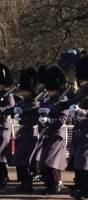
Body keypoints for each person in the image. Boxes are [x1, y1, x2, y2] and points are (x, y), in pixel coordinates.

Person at [38, 66, 68, 194]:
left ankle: (57, 183)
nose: (48, 91)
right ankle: (50, 185)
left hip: (57, 133)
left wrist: (49, 120)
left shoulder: (63, 100)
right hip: (48, 133)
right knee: (45, 160)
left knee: (51, 160)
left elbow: (62, 118)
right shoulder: (48, 100)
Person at [12, 67, 39, 193]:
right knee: (19, 159)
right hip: (23, 132)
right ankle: (24, 182)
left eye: (25, 90)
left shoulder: (35, 102)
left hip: (30, 132)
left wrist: (22, 114)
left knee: (25, 160)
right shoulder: (24, 101)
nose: (23, 93)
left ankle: (28, 183)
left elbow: (34, 116)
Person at [68, 56, 88, 199]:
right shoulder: (82, 91)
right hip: (80, 130)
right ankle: (80, 187)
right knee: (79, 161)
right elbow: (72, 102)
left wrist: (81, 111)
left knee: (84, 161)